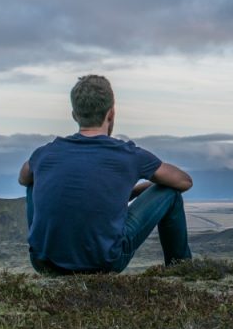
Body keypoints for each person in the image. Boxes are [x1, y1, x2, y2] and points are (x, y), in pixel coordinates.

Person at [18, 74, 193, 275]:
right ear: (111, 113)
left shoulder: (44, 153)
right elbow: (184, 181)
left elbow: (23, 178)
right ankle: (181, 270)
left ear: (74, 114)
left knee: (32, 182)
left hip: (43, 263)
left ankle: (46, 249)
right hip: (105, 262)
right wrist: (151, 186)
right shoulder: (129, 155)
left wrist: (130, 191)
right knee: (170, 193)